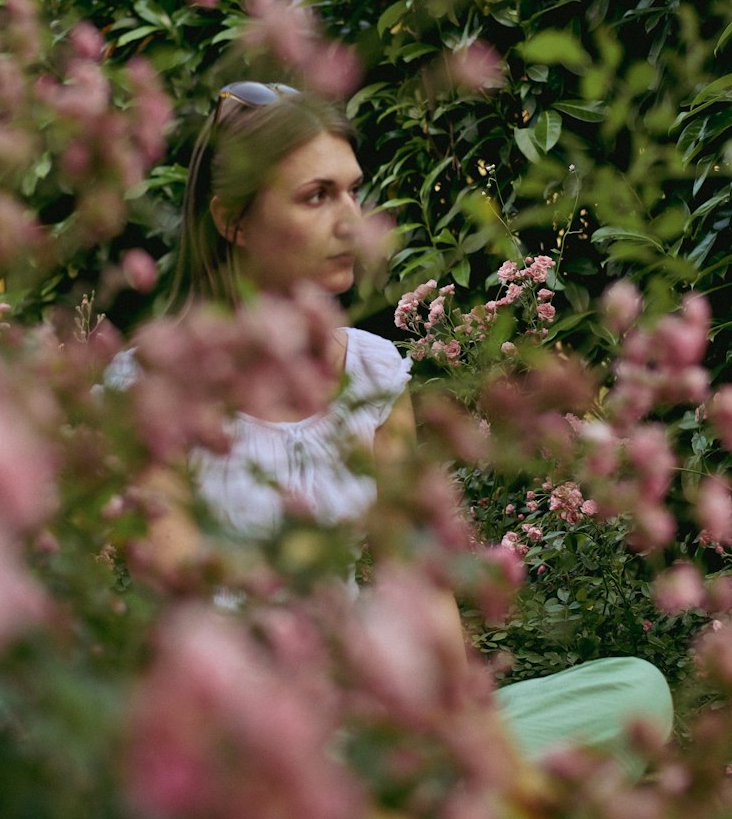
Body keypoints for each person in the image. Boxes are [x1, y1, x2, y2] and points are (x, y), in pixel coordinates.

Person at [152, 81, 674, 774]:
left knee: (637, 694)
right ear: (233, 221)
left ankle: (426, 817)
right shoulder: (160, 387)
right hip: (243, 747)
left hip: (369, 731)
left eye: (351, 191)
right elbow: (175, 606)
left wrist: (449, 720)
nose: (351, 220)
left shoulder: (372, 375)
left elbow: (418, 579)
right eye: (316, 196)